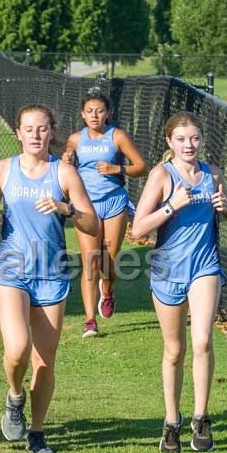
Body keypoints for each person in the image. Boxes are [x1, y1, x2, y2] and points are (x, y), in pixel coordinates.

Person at [0, 104, 98, 453]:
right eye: (28, 129)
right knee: (16, 348)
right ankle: (15, 396)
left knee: (45, 358)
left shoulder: (64, 174)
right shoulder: (2, 170)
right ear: (17, 133)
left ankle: (36, 430)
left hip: (51, 273)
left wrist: (66, 209)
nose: (35, 135)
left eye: (41, 128)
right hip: (11, 269)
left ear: (51, 133)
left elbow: (92, 224)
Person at [131, 111, 227, 453]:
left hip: (204, 266)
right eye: (182, 139)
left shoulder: (212, 173)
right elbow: (138, 229)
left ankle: (201, 418)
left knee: (202, 340)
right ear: (169, 142)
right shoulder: (162, 175)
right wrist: (170, 206)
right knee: (174, 350)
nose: (189, 145)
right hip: (167, 270)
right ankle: (172, 421)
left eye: (194, 138)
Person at [62, 89, 149, 338]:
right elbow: (67, 157)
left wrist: (116, 168)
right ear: (82, 114)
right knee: (90, 260)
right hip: (86, 205)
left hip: (113, 204)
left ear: (107, 113)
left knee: (109, 261)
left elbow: (142, 166)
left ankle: (107, 291)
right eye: (89, 111)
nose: (94, 115)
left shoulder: (117, 136)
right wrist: (67, 158)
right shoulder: (76, 138)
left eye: (99, 111)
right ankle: (90, 321)